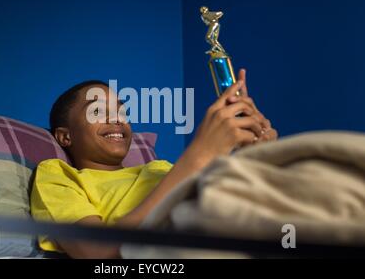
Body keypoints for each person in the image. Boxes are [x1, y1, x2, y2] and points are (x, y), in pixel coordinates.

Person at [30, 69, 278, 258]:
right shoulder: (56, 173)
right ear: (65, 136)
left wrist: (256, 160)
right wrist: (197, 158)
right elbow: (95, 250)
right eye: (97, 111)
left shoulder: (159, 169)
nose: (117, 118)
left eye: (122, 112)